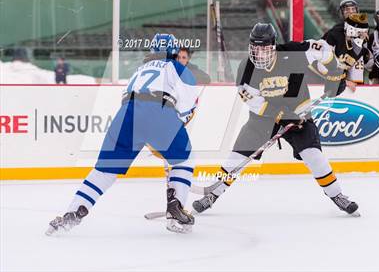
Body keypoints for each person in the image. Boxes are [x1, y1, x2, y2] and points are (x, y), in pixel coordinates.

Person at [192, 23, 359, 217]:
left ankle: (337, 195)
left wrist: (334, 73)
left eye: (264, 48)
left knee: (314, 156)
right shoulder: (246, 68)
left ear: (273, 46)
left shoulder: (292, 53)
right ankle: (213, 193)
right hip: (263, 119)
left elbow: (322, 47)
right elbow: (257, 104)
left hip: (299, 112)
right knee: (237, 157)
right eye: (256, 47)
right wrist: (283, 115)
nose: (260, 52)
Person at [46, 34, 199, 234]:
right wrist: (169, 130)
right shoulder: (177, 68)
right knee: (184, 159)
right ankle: (175, 207)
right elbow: (187, 108)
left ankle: (71, 214)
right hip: (159, 112)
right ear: (173, 51)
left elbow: (131, 100)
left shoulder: (139, 70)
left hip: (126, 114)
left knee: (104, 171)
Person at [322, 0, 371, 87]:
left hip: (359, 82)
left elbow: (367, 58)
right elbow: (326, 58)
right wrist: (343, 81)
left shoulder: (364, 30)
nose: (351, 12)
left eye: (353, 9)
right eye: (347, 10)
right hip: (340, 82)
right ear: (341, 13)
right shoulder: (335, 32)